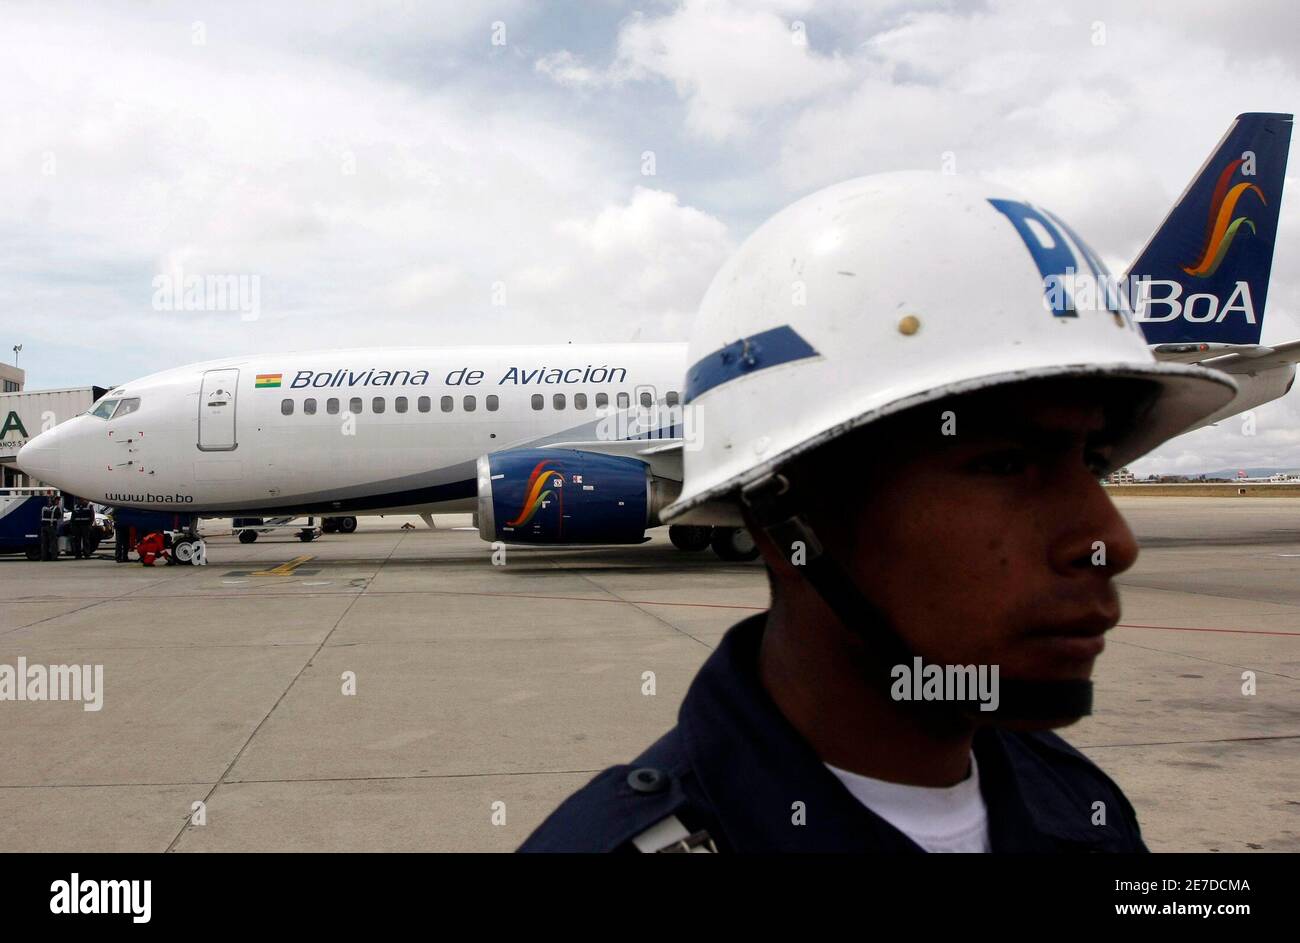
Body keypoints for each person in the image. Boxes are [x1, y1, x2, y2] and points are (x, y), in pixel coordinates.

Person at [519, 172, 1237, 853]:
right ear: (778, 512)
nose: (1112, 539)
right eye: (1006, 463)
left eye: (1093, 463)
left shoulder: (1081, 802)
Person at [39, 494, 62, 561]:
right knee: (53, 543)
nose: (58, 502)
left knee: (44, 543)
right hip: (51, 527)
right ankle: (54, 557)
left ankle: (44, 557)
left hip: (43, 527)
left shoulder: (44, 508)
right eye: (57, 500)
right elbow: (59, 516)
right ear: (53, 501)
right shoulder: (56, 508)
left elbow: (41, 517)